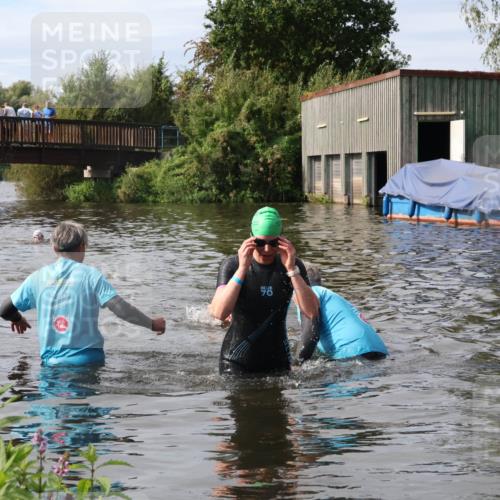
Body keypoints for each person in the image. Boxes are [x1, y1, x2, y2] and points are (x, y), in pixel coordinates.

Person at [0, 221, 166, 366]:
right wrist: (152, 324)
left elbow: (4, 309)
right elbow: (120, 308)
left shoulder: (37, 277)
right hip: (88, 362)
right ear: (81, 247)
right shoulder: (91, 275)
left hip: (51, 364)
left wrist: (17, 318)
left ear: (54, 247)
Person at [210, 207, 318, 375]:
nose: (267, 249)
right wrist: (243, 269)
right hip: (236, 362)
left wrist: (292, 270)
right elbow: (219, 313)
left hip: (278, 361)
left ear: (282, 238)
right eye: (260, 243)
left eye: (273, 243)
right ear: (251, 237)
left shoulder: (292, 266)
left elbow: (312, 312)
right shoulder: (232, 265)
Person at [296, 263, 388, 363]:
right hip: (378, 350)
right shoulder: (329, 295)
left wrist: (296, 363)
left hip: (351, 352)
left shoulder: (308, 293)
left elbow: (310, 334)